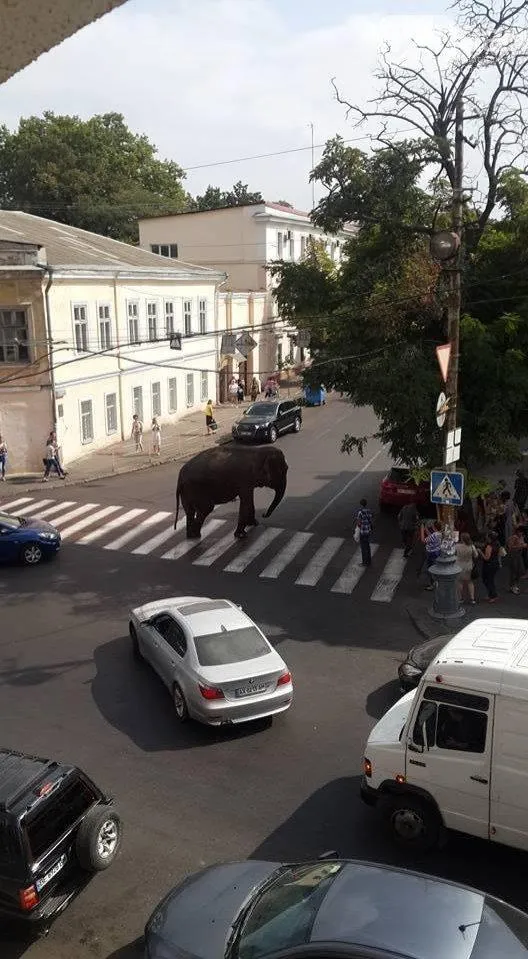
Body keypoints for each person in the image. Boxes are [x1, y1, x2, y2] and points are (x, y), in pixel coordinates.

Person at [479, 531, 501, 603]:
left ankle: (493, 595)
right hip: (495, 563)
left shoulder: (489, 546)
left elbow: (486, 558)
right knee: (490, 579)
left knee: (487, 580)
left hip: (489, 565)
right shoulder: (497, 544)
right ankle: (490, 594)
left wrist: (480, 552)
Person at [456, 532, 478, 605]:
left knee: (460, 582)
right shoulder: (471, 546)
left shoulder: (457, 546)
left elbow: (452, 553)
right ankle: (472, 598)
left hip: (459, 566)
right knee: (470, 582)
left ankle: (460, 598)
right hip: (469, 566)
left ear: (462, 538)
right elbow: (476, 556)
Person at [421, 521, 442, 590]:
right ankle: (436, 582)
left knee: (430, 569)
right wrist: (426, 529)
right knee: (435, 567)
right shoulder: (439, 534)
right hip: (437, 552)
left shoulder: (434, 535)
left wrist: (422, 530)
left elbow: (423, 540)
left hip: (431, 553)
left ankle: (433, 584)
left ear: (434, 527)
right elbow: (431, 536)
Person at [507, 525, 526, 594]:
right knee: (514, 571)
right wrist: (520, 546)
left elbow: (522, 543)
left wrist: (524, 545)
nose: (521, 533)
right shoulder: (514, 537)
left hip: (519, 555)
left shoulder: (521, 537)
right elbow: (510, 547)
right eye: (520, 532)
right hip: (513, 556)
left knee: (520, 571)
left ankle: (514, 585)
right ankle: (513, 586)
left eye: (522, 532)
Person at [356, 498, 374, 567]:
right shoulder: (369, 511)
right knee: (367, 546)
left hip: (363, 531)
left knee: (363, 547)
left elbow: (359, 523)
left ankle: (364, 562)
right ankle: (369, 561)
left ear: (361, 504)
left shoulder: (360, 512)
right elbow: (371, 518)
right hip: (368, 531)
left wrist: (358, 526)